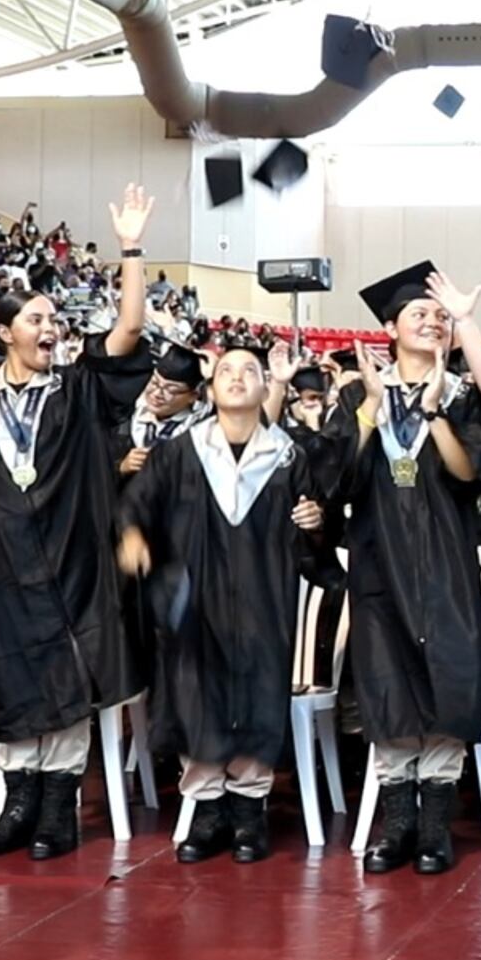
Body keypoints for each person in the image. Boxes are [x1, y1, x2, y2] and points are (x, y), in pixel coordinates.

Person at [0, 185, 156, 862]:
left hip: (73, 565)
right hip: (2, 572)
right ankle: (15, 806)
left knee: (70, 683)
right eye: (37, 318)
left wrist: (130, 248)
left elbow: (127, 333)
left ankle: (57, 809)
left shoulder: (75, 392)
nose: (52, 328)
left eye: (55, 319)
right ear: (5, 332)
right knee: (13, 687)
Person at [119, 347, 332, 865]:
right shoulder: (180, 452)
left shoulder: (288, 455)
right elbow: (136, 503)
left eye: (250, 372)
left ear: (265, 390)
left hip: (263, 601)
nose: (238, 378)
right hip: (196, 600)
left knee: (256, 692)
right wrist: (132, 536)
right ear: (211, 388)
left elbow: (316, 522)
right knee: (196, 694)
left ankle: (249, 810)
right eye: (227, 370)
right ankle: (207, 808)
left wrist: (313, 520)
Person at [324, 263, 481, 875]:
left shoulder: (461, 397)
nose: (431, 322)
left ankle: (434, 826)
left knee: (448, 680)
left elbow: (469, 473)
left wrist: (432, 414)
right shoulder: (356, 394)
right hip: (379, 564)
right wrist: (374, 409)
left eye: (439, 316)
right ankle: (396, 821)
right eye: (417, 314)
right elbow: (338, 480)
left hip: (447, 562)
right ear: (390, 327)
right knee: (387, 681)